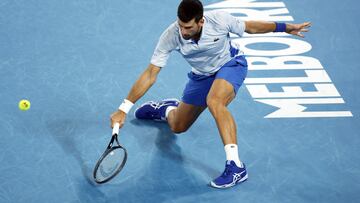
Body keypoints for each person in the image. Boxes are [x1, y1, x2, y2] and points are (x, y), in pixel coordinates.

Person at [111, 0, 310, 189]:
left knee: (215, 101)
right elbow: (150, 73)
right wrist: (123, 108)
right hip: (201, 76)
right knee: (177, 126)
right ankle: (168, 109)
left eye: (188, 27)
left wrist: (286, 27)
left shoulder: (220, 20)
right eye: (181, 25)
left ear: (201, 21)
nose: (183, 31)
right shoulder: (171, 35)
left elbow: (251, 27)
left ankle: (236, 167)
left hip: (230, 65)